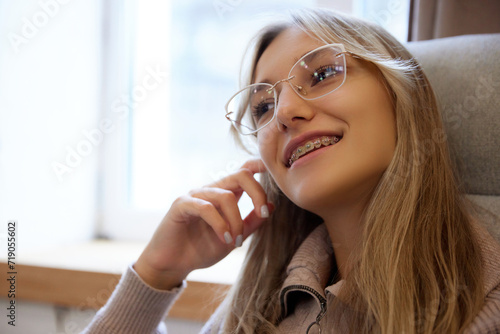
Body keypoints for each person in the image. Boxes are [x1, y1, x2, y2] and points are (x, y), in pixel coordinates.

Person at [82, 8, 500, 334]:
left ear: (403, 95)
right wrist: (157, 273)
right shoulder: (254, 306)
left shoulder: (484, 304)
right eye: (264, 107)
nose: (284, 113)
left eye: (322, 74)